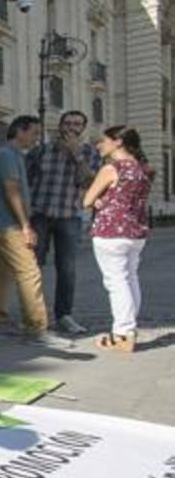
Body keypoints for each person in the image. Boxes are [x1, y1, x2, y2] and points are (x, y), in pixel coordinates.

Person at [0, 115, 65, 348]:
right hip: (9, 227)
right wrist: (26, 225)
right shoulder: (8, 156)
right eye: (34, 133)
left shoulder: (5, 155)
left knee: (2, 275)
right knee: (30, 273)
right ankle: (37, 329)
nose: (37, 139)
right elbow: (12, 190)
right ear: (19, 131)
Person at [26, 110, 100, 335]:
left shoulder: (89, 152)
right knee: (32, 267)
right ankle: (34, 315)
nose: (71, 128)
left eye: (77, 124)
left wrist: (77, 155)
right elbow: (24, 179)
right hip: (39, 215)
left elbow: (90, 183)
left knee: (67, 269)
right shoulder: (41, 151)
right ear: (59, 126)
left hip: (69, 217)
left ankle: (64, 315)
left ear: (82, 129)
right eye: (67, 123)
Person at [82, 126, 153, 352]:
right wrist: (104, 200)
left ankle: (123, 334)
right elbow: (126, 198)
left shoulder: (111, 168)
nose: (99, 145)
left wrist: (97, 201)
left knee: (116, 282)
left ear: (118, 142)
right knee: (130, 279)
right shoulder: (143, 169)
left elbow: (87, 199)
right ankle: (128, 330)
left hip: (111, 231)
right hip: (136, 232)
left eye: (104, 141)